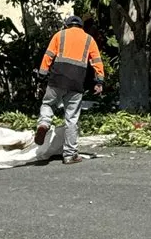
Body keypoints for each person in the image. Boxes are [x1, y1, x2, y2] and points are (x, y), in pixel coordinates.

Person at [34, 14, 104, 164]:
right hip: (77, 83)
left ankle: (44, 123)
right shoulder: (89, 39)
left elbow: (48, 56)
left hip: (57, 79)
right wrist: (99, 81)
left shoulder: (59, 35)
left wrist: (42, 75)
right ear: (81, 27)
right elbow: (97, 61)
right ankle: (70, 154)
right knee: (71, 118)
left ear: (66, 25)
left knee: (48, 104)